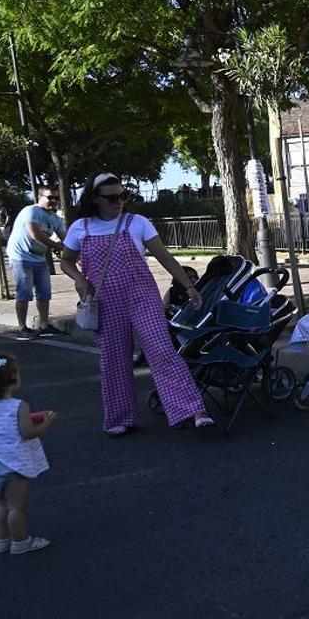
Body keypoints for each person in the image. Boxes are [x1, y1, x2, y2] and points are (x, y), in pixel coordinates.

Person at [59, 174, 212, 437]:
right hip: (104, 301)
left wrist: (188, 286)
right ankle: (121, 416)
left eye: (122, 196)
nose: (119, 202)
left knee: (162, 350)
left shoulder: (137, 223)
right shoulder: (80, 228)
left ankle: (194, 410)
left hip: (142, 295)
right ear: (95, 199)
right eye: (111, 197)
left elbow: (165, 257)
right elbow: (66, 261)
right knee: (114, 358)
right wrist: (79, 280)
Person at [0, 352, 57, 555]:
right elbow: (29, 432)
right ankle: (20, 542)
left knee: (0, 505)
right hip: (12, 465)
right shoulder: (18, 406)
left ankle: (1, 539)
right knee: (16, 507)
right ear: (13, 381)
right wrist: (47, 422)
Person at [5, 185, 67, 340]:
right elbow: (35, 234)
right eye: (50, 197)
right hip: (21, 257)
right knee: (24, 293)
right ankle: (22, 328)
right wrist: (59, 247)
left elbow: (67, 238)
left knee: (44, 293)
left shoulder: (55, 219)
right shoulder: (31, 211)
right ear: (40, 197)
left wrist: (75, 251)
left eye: (56, 198)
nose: (53, 201)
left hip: (39, 258)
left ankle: (44, 325)